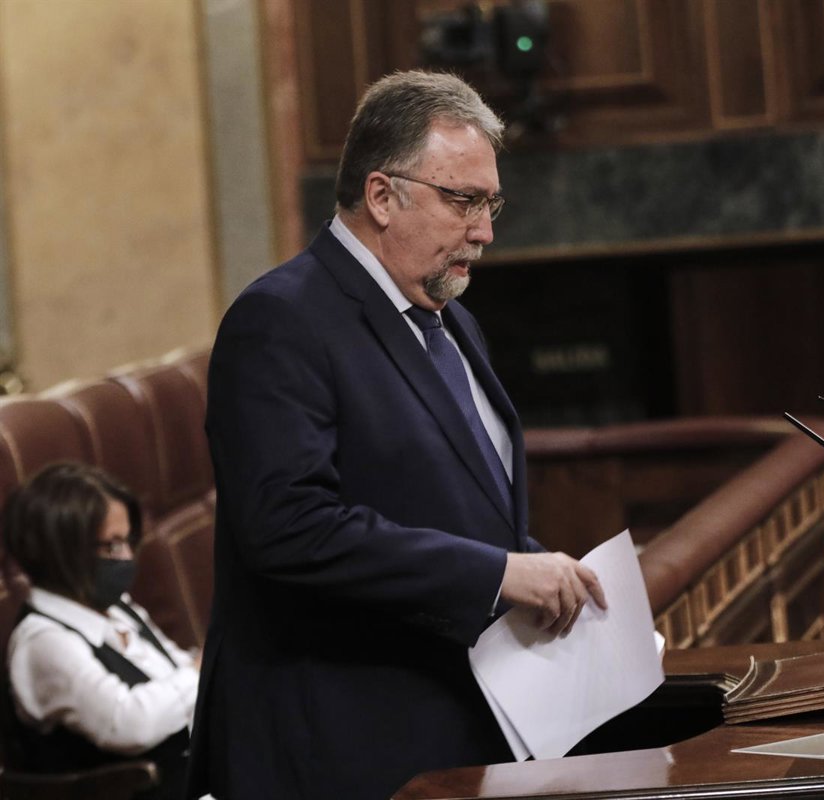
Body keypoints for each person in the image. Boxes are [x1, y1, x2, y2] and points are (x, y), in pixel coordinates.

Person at [186, 69, 606, 800]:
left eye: (491, 203)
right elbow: (288, 527)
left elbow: (455, 503)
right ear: (382, 196)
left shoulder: (452, 318)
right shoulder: (281, 320)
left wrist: (541, 569)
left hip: (451, 724)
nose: (485, 230)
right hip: (336, 745)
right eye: (463, 201)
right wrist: (498, 575)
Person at [3, 462, 198, 800]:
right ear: (63, 553)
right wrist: (202, 669)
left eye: (128, 542)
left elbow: (179, 667)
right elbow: (129, 724)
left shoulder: (115, 606)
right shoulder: (44, 641)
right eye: (112, 546)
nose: (127, 557)